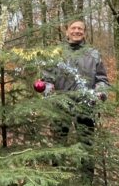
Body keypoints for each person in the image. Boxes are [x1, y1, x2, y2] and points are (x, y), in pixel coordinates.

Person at [42, 19, 109, 175]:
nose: (77, 31)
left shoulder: (93, 54)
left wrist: (100, 92)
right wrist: (48, 89)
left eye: (80, 28)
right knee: (58, 145)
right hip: (61, 106)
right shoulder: (56, 53)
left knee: (87, 146)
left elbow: (102, 79)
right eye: (74, 28)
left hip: (86, 106)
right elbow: (46, 78)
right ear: (67, 31)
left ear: (84, 33)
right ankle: (57, 179)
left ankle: (87, 183)